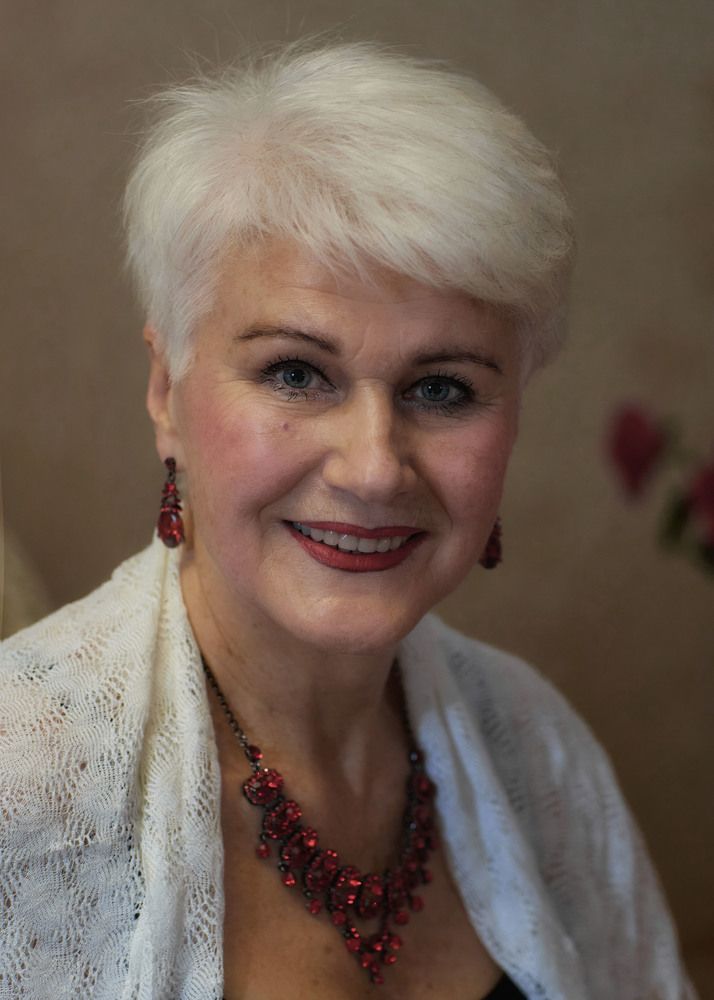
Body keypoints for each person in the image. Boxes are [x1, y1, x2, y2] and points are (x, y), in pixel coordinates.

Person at [0, 40, 696, 1000]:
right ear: (166, 391)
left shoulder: (538, 748)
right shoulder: (20, 787)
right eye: (296, 373)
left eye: (443, 388)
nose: (373, 468)